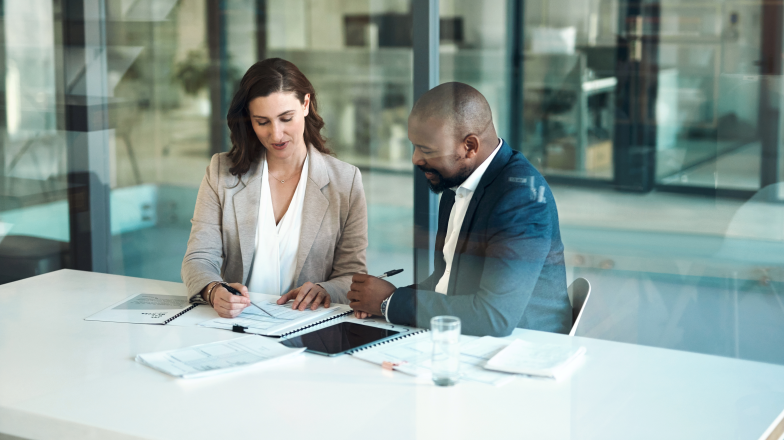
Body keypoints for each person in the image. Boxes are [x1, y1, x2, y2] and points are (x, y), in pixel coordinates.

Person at [348, 82, 571, 336]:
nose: (415, 159)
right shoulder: (457, 182)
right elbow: (447, 280)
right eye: (414, 145)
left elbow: (493, 317)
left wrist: (390, 303)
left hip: (523, 350)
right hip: (471, 341)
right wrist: (384, 298)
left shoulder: (521, 199)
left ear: (470, 147)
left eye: (427, 150)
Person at [182, 58, 368, 318]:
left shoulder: (345, 181)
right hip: (237, 325)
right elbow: (199, 258)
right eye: (262, 122)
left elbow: (352, 275)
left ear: (305, 104)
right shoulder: (221, 172)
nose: (276, 134)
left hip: (308, 327)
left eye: (286, 118)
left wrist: (325, 290)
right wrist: (213, 290)